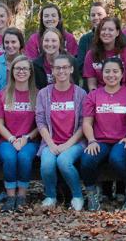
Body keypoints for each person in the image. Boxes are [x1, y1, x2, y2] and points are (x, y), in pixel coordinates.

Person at [80, 57, 126, 211]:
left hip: (123, 139)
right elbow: (87, 122)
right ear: (102, 74)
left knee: (117, 159)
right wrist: (91, 140)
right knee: (86, 159)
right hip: (100, 140)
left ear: (122, 74)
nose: (111, 75)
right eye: (107, 71)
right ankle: (92, 195)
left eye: (115, 71)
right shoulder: (94, 95)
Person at [35, 54, 87, 210]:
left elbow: (83, 124)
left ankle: (77, 196)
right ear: (52, 71)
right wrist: (50, 144)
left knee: (64, 161)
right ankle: (51, 196)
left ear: (71, 69)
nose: (61, 71)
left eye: (65, 67)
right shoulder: (43, 93)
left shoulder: (80, 94)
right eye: (57, 68)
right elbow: (41, 121)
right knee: (47, 164)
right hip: (50, 141)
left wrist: (67, 145)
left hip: (74, 142)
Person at [0, 55, 40, 211]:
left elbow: (41, 125)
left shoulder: (38, 95)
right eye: (17, 68)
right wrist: (13, 139)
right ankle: (11, 196)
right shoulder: (2, 94)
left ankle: (21, 196)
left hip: (30, 140)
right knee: (9, 157)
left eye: (25, 68)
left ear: (30, 72)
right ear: (12, 71)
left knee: (24, 157)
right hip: (7, 139)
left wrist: (27, 138)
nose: (21, 71)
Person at [83, 17, 126, 90]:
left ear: (117, 32)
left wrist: (124, 98)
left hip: (124, 95)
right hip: (100, 97)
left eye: (111, 30)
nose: (106, 32)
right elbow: (92, 85)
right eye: (103, 29)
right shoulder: (91, 54)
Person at [0, 28, 24, 93]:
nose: (10, 46)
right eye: (7, 42)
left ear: (20, 43)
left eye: (13, 42)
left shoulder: (27, 63)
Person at [76, 2, 108, 75]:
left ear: (107, 16)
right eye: (93, 15)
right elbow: (80, 66)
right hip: (90, 82)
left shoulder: (117, 36)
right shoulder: (85, 39)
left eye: (99, 14)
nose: (96, 17)